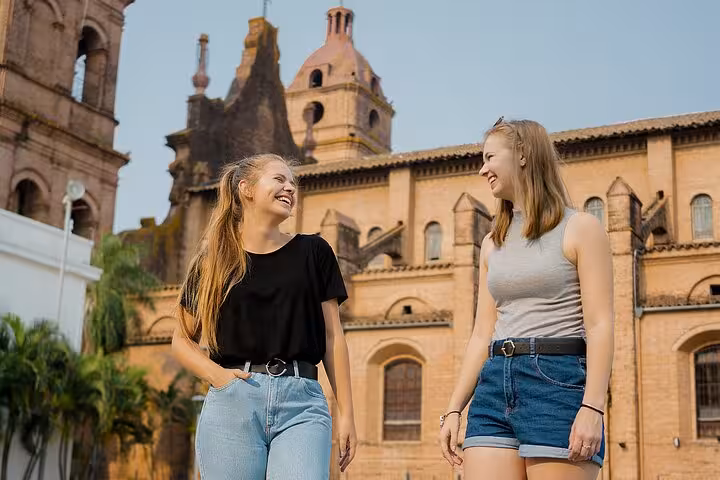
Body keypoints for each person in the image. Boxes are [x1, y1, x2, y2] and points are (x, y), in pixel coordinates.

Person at [439, 118, 614, 480]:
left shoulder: (580, 227)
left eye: (489, 157)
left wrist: (592, 407)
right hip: (493, 385)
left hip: (557, 383)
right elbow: (480, 334)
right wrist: (455, 408)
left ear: (521, 154)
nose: (482, 168)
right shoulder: (492, 243)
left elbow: (600, 325)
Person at [171, 154, 357, 480]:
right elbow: (181, 340)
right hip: (234, 400)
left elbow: (332, 337)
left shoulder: (314, 251)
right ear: (246, 189)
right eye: (279, 179)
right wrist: (219, 377)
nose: (289, 188)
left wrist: (347, 414)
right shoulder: (214, 261)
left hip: (303, 405)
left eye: (293, 183)